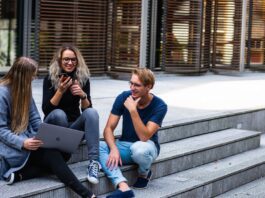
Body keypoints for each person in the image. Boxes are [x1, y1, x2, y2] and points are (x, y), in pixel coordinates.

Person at [0, 57, 96, 198]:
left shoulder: (25, 90)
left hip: (30, 140)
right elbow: (1, 129)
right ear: (23, 76)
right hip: (14, 147)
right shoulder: (2, 94)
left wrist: (45, 135)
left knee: (64, 154)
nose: (34, 78)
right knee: (53, 155)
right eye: (32, 75)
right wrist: (23, 143)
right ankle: (87, 194)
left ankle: (21, 175)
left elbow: (35, 119)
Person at [99, 68, 167, 198]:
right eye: (131, 83)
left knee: (139, 149)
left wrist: (133, 111)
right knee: (97, 146)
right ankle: (122, 186)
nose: (132, 88)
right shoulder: (124, 97)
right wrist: (113, 149)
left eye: (137, 85)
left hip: (147, 146)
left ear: (149, 87)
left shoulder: (160, 106)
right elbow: (108, 128)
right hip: (124, 146)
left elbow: (144, 136)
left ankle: (144, 173)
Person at [42, 44, 100, 184]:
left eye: (73, 59)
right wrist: (60, 91)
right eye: (66, 59)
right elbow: (47, 110)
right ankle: (61, 158)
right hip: (55, 127)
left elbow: (87, 112)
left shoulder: (82, 78)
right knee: (59, 114)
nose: (70, 63)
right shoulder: (50, 78)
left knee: (92, 112)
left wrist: (83, 96)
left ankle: (94, 163)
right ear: (60, 60)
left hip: (73, 128)